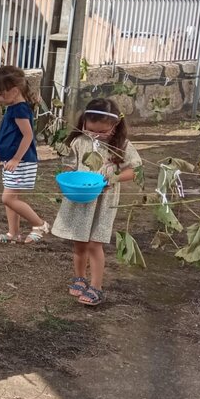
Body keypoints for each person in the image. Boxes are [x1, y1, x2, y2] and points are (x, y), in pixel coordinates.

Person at [52, 98, 141, 306]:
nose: (95, 136)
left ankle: (97, 286)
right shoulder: (78, 141)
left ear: (115, 125)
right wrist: (68, 180)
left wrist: (115, 178)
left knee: (94, 244)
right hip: (80, 199)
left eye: (101, 132)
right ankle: (79, 277)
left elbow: (136, 169)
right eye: (90, 130)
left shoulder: (121, 146)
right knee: (79, 241)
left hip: (103, 200)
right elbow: (69, 167)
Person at [0, 65, 51, 245]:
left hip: (22, 162)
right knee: (11, 199)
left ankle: (39, 224)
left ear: (14, 91)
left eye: (0, 94)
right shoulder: (15, 107)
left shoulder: (19, 109)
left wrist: (16, 159)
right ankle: (13, 233)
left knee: (7, 198)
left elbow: (28, 135)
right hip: (13, 161)